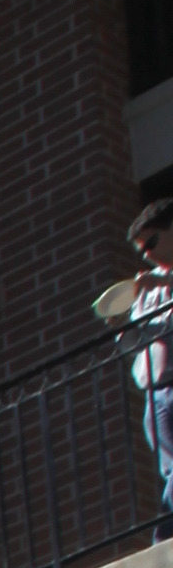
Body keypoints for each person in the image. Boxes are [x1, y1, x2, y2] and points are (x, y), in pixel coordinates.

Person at [111, 185, 173, 534]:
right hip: (156, 393)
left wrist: (164, 280)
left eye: (152, 243)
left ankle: (165, 537)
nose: (148, 255)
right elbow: (136, 344)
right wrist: (121, 327)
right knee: (170, 469)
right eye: (142, 251)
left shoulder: (158, 282)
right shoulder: (148, 291)